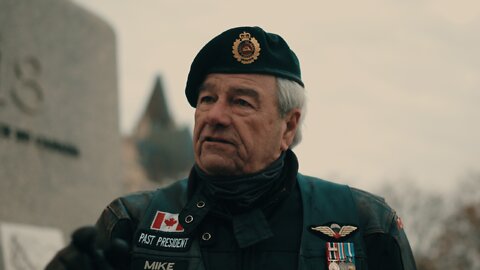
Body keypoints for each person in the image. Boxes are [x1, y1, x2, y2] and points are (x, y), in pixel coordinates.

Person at [46, 26, 417, 270]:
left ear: (288, 125)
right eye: (207, 99)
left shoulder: (367, 226)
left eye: (241, 102)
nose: (215, 115)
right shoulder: (130, 221)